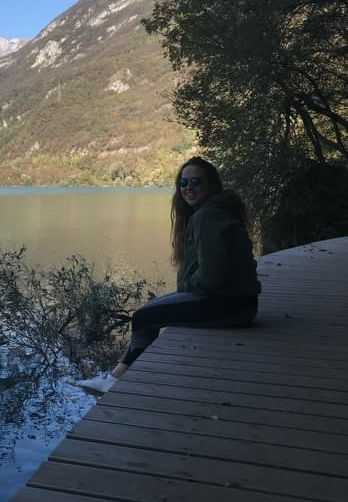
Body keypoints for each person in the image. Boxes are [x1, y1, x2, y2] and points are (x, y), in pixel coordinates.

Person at [107, 156, 261, 381]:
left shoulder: (207, 217)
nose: (188, 188)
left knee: (142, 317)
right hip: (241, 302)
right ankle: (119, 374)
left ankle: (121, 379)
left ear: (212, 185)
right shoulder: (213, 212)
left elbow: (211, 277)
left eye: (196, 182)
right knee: (149, 311)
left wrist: (185, 287)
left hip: (230, 305)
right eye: (183, 183)